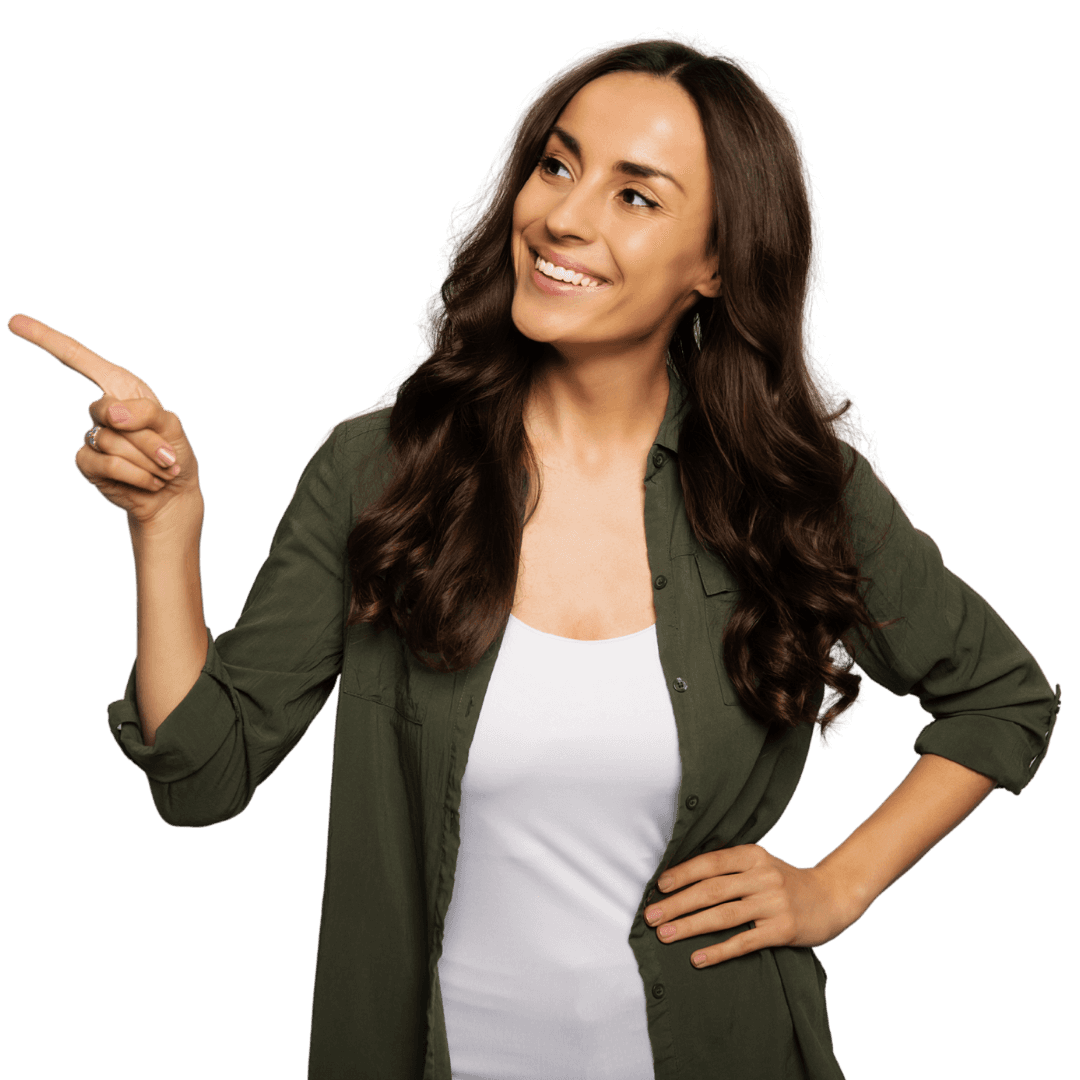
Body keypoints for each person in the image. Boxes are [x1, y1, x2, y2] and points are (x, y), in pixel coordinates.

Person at [8, 33, 1060, 1080]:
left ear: (718, 264)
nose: (563, 215)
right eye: (558, 165)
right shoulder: (379, 467)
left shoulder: (787, 485)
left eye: (635, 197)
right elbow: (202, 774)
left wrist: (837, 886)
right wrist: (166, 526)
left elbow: (1003, 698)